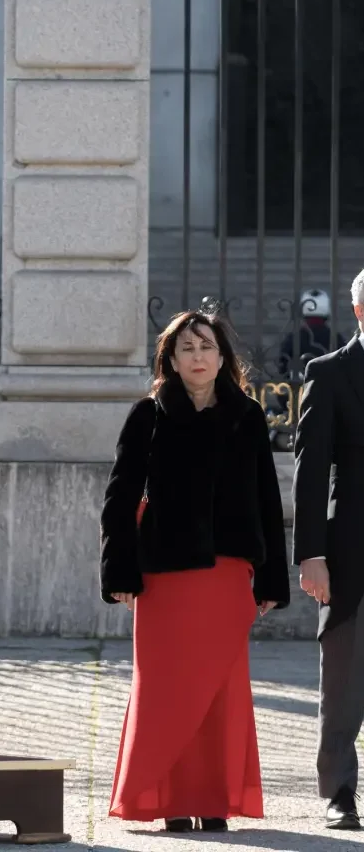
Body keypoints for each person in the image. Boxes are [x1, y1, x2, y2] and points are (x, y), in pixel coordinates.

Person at [101, 309, 289, 833]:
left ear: (223, 355)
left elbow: (266, 500)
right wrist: (119, 570)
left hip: (227, 573)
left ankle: (214, 799)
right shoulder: (148, 415)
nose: (198, 356)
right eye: (186, 348)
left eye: (206, 346)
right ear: (171, 359)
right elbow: (119, 497)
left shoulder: (247, 415)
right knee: (165, 686)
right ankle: (168, 798)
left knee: (221, 690)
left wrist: (272, 575)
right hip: (165, 574)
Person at [294, 268, 364, 831]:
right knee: (343, 679)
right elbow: (311, 472)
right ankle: (339, 791)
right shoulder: (330, 372)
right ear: (360, 312)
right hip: (349, 551)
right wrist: (309, 553)